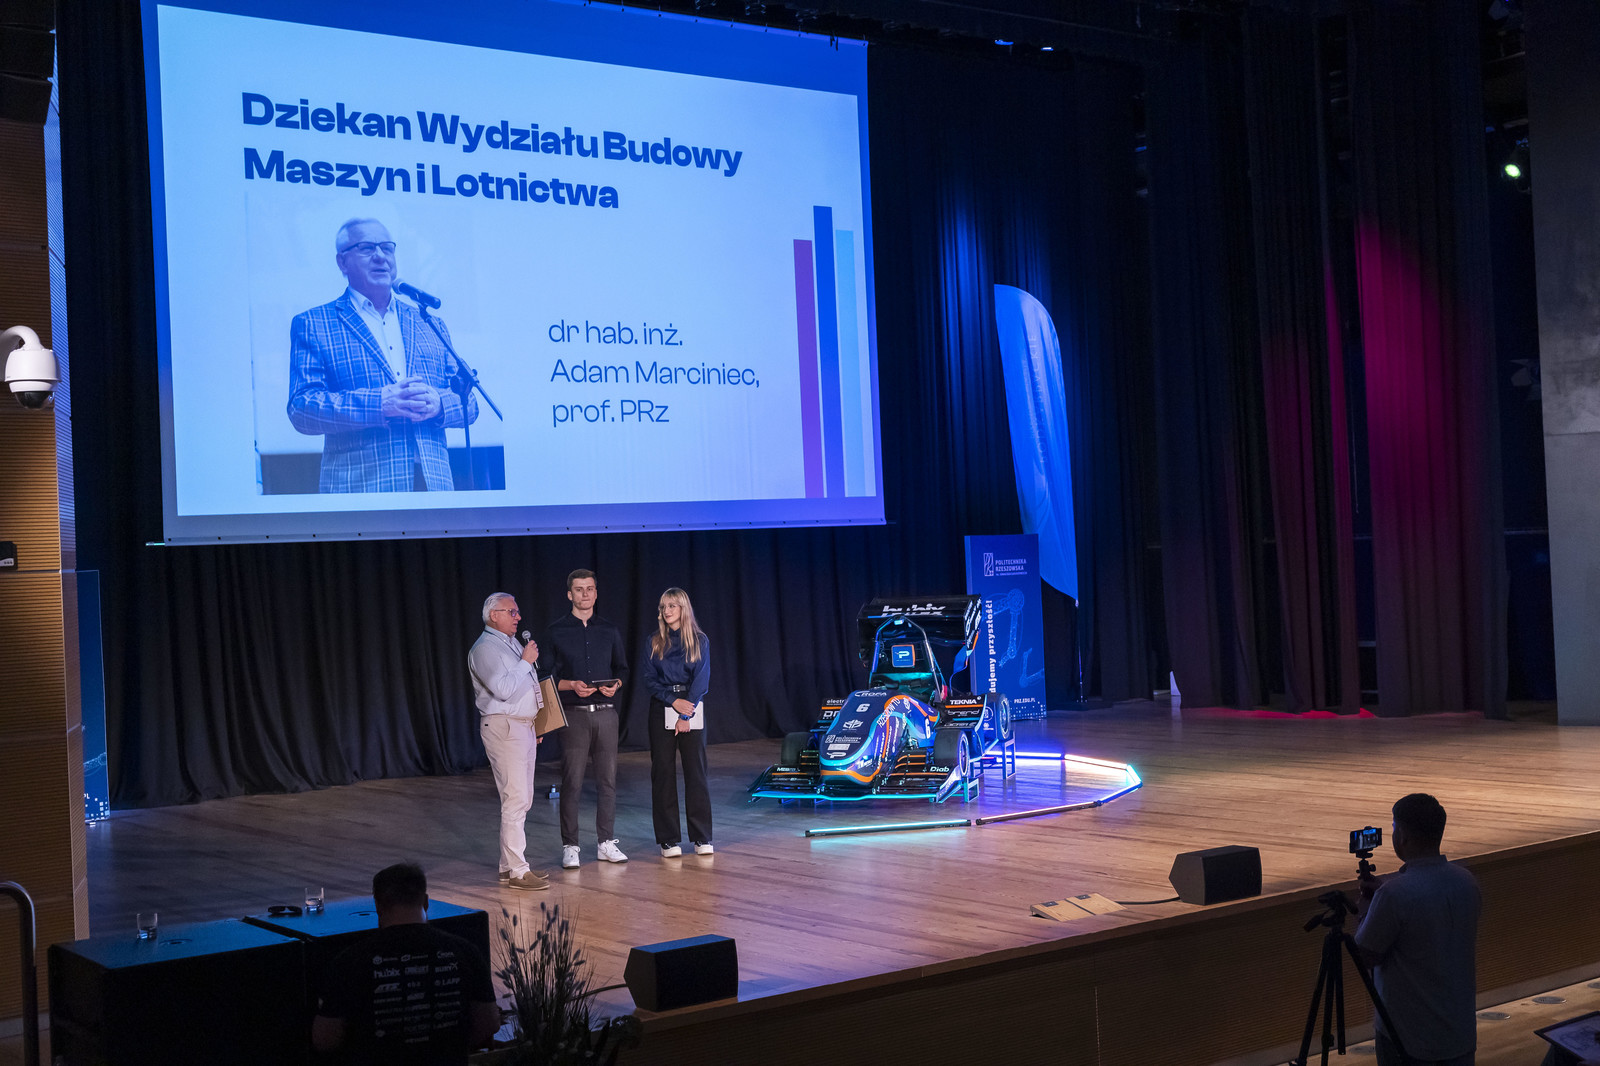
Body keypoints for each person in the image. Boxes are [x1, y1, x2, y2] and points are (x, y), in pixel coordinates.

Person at [287, 218, 478, 492]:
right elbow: (302, 408)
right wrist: (380, 403)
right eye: (366, 248)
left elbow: (469, 402)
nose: (380, 256)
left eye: (387, 248)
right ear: (342, 262)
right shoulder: (314, 323)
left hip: (435, 489)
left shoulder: (429, 323)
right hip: (361, 490)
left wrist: (438, 404)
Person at [312, 862, 499, 1065]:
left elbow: (325, 1040)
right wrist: (451, 1046)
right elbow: (488, 1023)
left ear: (378, 906)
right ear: (426, 902)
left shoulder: (349, 961)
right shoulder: (465, 951)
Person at [1354, 793, 1481, 1066]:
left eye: (1393, 827)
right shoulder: (1466, 881)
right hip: (1459, 1032)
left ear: (1402, 835)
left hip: (1408, 1038)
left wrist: (1365, 909)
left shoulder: (1394, 894)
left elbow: (1364, 954)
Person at [544, 569, 629, 869]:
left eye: (590, 589)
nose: (585, 594)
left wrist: (615, 685)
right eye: (579, 589)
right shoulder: (556, 631)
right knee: (573, 782)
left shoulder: (609, 629)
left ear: (596, 593)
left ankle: (606, 842)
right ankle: (571, 846)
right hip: (574, 716)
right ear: (570, 594)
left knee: (608, 781)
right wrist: (571, 685)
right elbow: (545, 675)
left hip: (605, 714)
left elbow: (622, 668)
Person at [468, 593, 548, 891]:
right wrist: (525, 661)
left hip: (522, 726)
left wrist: (537, 721)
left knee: (523, 798)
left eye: (517, 612)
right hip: (504, 726)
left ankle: (507, 865)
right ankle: (517, 870)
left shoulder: (510, 643)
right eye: (512, 612)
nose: (518, 617)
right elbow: (502, 689)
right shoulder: (485, 648)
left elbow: (526, 684)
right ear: (494, 615)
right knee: (515, 798)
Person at [643, 587, 712, 857]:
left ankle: (702, 837)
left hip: (691, 706)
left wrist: (685, 714)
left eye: (672, 606)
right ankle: (668, 839)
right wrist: (673, 702)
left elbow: (701, 681)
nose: (667, 611)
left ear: (683, 609)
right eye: (663, 607)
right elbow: (649, 680)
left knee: (696, 772)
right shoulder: (654, 641)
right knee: (662, 772)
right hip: (663, 705)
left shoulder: (699, 640)